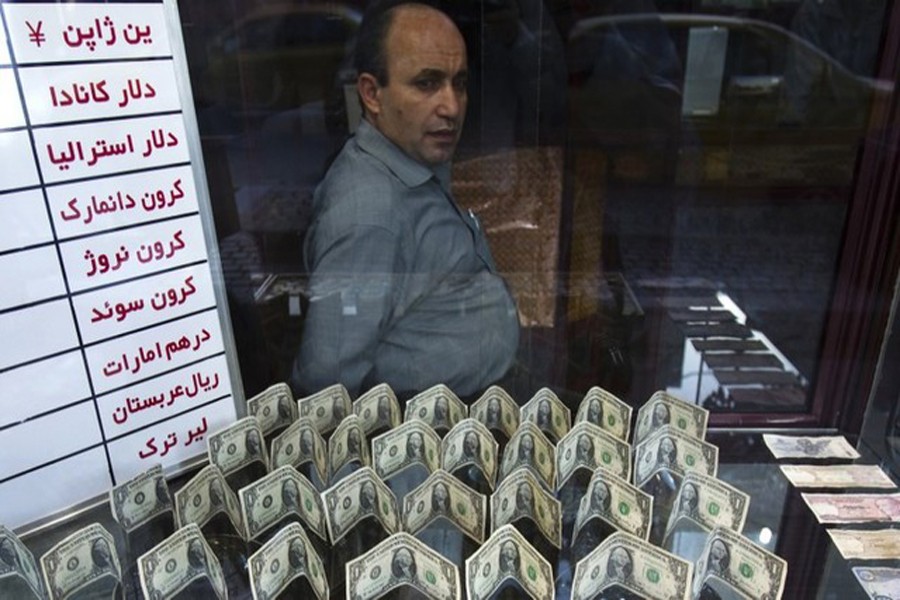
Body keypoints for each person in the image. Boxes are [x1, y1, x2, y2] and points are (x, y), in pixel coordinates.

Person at [291, 1, 520, 400]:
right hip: (422, 437)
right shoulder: (369, 215)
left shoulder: (412, 163)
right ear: (372, 94)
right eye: (427, 84)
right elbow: (325, 387)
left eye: (459, 83)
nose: (451, 107)